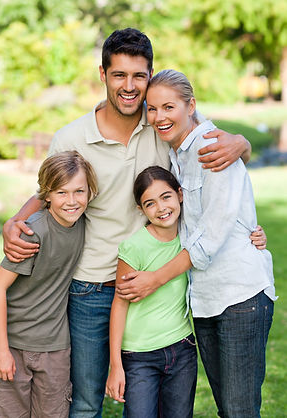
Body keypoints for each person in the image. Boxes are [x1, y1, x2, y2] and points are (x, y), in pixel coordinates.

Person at [2, 29, 261, 417]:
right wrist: (15, 221)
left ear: (150, 76)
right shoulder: (71, 137)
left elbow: (209, 138)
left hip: (156, 285)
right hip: (90, 288)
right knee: (87, 401)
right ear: (103, 74)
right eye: (119, 74)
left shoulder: (160, 123)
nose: (129, 86)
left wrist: (242, 143)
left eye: (139, 75)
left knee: (150, 398)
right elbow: (47, 192)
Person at [118, 69, 276, 417]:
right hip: (205, 300)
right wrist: (244, 142)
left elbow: (211, 238)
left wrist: (154, 279)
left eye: (169, 107)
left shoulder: (211, 148)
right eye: (153, 108)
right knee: (227, 410)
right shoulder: (178, 150)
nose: (159, 117)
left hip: (240, 296)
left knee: (239, 411)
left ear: (191, 106)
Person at [0, 151, 97, 418]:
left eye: (79, 191)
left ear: (90, 192)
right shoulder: (32, 233)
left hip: (55, 346)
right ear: (46, 196)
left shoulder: (83, 223)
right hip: (13, 343)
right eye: (61, 193)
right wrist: (1, 350)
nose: (71, 201)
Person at [106, 166, 197, 418]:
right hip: (139, 357)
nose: (161, 208)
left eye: (166, 197)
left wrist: (255, 236)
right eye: (150, 203)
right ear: (141, 210)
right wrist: (116, 365)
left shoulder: (190, 237)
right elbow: (120, 304)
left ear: (179, 195)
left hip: (182, 348)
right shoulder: (135, 247)